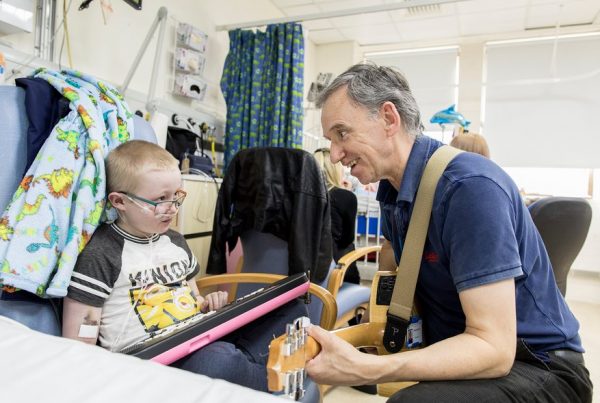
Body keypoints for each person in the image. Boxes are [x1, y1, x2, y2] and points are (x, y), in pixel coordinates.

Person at [304, 63, 593, 403]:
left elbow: (494, 348)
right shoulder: (393, 193)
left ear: (388, 119)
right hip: (468, 348)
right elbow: (397, 274)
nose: (335, 155)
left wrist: (366, 368)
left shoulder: (468, 188)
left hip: (538, 367)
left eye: (342, 133)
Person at [62, 140, 305, 392]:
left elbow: (194, 300)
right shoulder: (102, 252)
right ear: (120, 201)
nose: (172, 208)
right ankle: (270, 380)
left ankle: (246, 371)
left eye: (176, 196)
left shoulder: (175, 242)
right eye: (160, 200)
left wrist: (208, 305)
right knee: (219, 359)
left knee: (291, 310)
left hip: (197, 338)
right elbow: (79, 340)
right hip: (151, 363)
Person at [314, 147, 360, 284]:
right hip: (335, 274)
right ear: (335, 170)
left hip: (303, 270)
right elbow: (346, 238)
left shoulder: (301, 198)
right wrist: (347, 193)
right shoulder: (345, 197)